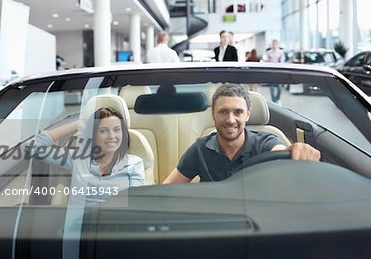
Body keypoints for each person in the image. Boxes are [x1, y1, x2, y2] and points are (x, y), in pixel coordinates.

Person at [163, 83, 320, 184]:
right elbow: (167, 190)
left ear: (248, 115)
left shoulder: (264, 143)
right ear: (213, 114)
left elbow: (281, 151)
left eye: (238, 112)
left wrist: (296, 150)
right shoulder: (200, 149)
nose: (230, 120)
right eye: (223, 112)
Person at [28, 107, 145, 205]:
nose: (112, 136)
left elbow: (136, 204)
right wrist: (76, 124)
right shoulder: (76, 159)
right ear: (93, 134)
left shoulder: (134, 164)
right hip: (80, 228)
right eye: (104, 131)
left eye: (117, 130)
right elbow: (33, 147)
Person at [262, 40, 286, 104]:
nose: (274, 45)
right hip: (271, 71)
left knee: (279, 86)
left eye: (275, 44)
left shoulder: (281, 52)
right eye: (273, 44)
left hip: (278, 71)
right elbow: (266, 60)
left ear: (277, 44)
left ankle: (277, 98)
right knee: (272, 86)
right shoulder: (269, 52)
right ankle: (273, 100)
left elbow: (282, 61)